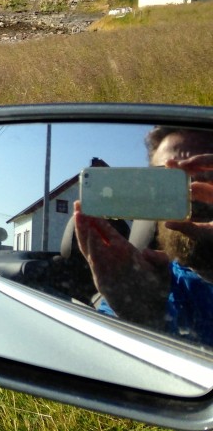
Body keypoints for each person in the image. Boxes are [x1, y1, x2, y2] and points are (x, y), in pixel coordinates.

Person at [74, 127, 213, 345]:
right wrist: (141, 317)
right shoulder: (140, 282)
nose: (191, 193)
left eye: (206, 174)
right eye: (170, 182)